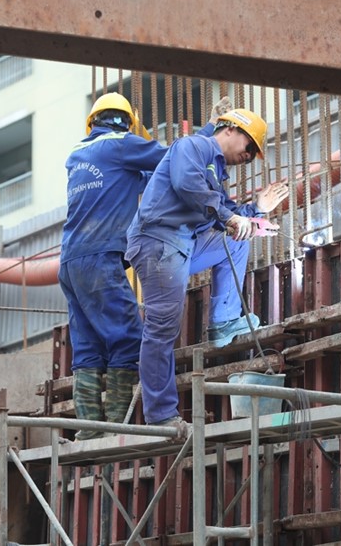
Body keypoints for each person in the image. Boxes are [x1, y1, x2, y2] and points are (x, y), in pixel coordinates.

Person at [59, 92, 225, 440]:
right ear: (127, 123)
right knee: (128, 339)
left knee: (88, 346)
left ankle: (88, 431)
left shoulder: (77, 154)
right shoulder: (120, 145)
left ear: (93, 121)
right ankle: (117, 427)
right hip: (102, 257)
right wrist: (211, 127)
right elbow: (178, 158)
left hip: (70, 261)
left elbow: (139, 181)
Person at [125, 108, 289, 428]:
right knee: (162, 328)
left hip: (183, 245)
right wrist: (230, 219)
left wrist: (255, 211)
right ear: (229, 130)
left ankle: (224, 321)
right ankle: (161, 415)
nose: (249, 155)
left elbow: (224, 213)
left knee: (240, 239)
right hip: (159, 243)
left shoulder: (215, 172)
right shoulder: (192, 147)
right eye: (250, 146)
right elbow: (188, 186)